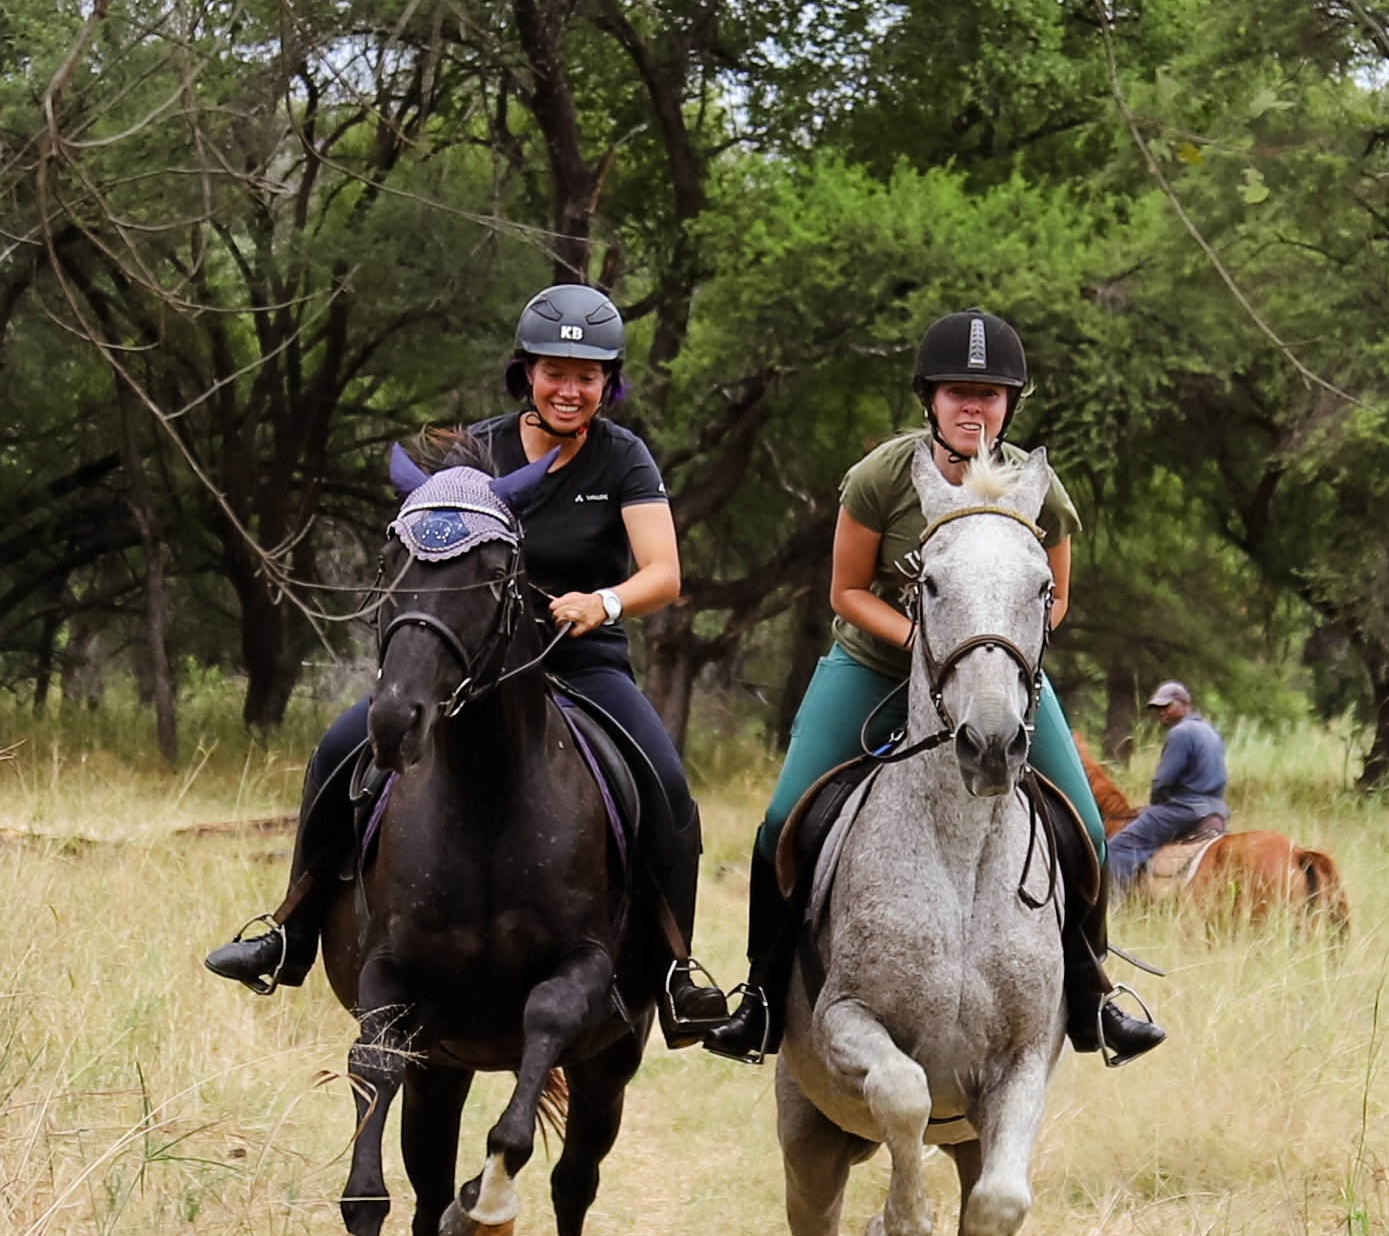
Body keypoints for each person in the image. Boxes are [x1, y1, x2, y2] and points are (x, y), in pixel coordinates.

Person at [202, 284, 735, 1043]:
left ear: (608, 383)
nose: (570, 390)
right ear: (527, 373)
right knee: (335, 748)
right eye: (556, 371)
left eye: (588, 376)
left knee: (669, 787)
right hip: (469, 671)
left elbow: (664, 572)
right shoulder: (477, 452)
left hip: (580, 662)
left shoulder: (624, 458)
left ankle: (675, 971)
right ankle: (289, 928)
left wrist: (604, 602)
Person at [703, 309, 1166, 1065]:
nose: (973, 407)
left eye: (990, 394)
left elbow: (1057, 599)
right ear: (930, 399)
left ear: (1011, 404)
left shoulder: (1036, 489)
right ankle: (759, 996)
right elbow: (846, 590)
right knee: (784, 815)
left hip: (996, 676)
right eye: (957, 392)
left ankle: (1093, 992)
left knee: (1081, 817)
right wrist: (925, 641)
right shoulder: (883, 476)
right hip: (877, 663)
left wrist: (993, 660)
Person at [1111, 679, 1228, 894]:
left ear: (1184, 704)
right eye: (1157, 708)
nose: (1161, 712)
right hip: (1217, 811)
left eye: (1166, 706)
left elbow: (1163, 781)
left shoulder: (1180, 732)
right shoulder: (1210, 732)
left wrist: (1156, 805)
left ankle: (1114, 909)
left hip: (1184, 811)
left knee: (1118, 847)